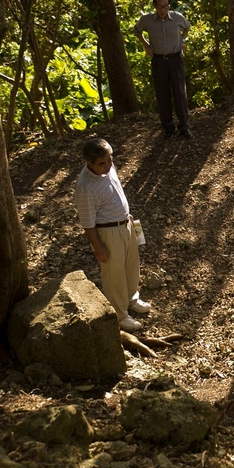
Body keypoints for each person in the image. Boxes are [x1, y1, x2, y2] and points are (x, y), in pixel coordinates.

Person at [73, 138, 151, 332]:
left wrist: (126, 215)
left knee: (131, 265)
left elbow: (115, 192)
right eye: (102, 163)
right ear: (89, 163)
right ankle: (120, 313)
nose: (108, 165)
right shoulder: (85, 187)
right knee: (114, 272)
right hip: (108, 231)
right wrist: (98, 247)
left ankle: (132, 298)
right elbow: (87, 222)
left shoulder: (108, 168)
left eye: (110, 159)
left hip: (126, 223)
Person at [133, 0, 192, 139]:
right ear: (154, 6)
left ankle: (184, 126)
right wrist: (146, 45)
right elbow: (136, 30)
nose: (163, 10)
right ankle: (168, 128)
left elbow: (187, 27)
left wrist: (183, 41)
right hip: (158, 60)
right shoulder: (147, 20)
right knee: (162, 94)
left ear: (169, 6)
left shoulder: (177, 18)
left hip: (175, 59)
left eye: (165, 6)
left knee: (180, 93)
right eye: (159, 6)